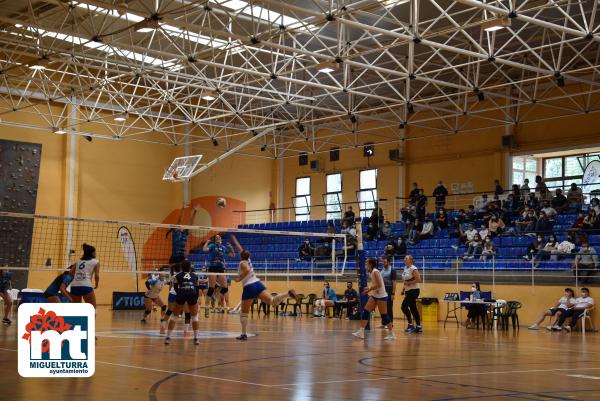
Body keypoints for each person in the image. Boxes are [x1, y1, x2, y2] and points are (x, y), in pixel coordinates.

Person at [235, 250, 298, 340]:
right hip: (257, 283)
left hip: (249, 286)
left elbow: (247, 270)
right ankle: (288, 293)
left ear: (241, 256)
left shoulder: (242, 263)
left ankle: (244, 334)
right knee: (272, 302)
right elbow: (242, 251)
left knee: (244, 314)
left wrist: (239, 278)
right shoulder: (248, 260)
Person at [352, 258, 395, 340]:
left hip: (382, 295)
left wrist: (369, 289)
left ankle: (392, 334)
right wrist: (368, 289)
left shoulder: (375, 272)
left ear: (370, 264)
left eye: (366, 263)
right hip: (375, 295)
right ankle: (361, 332)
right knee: (366, 311)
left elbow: (379, 285)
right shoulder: (371, 272)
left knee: (384, 315)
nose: (365, 264)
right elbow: (375, 285)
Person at [164, 261, 200, 345]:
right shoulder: (195, 276)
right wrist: (195, 298)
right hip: (192, 294)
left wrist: (180, 294)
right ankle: (196, 338)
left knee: (174, 316)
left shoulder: (177, 276)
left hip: (182, 294)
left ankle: (168, 337)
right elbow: (197, 288)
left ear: (181, 268)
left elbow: (175, 287)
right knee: (194, 317)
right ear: (190, 267)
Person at [203, 234, 237, 303]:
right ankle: (207, 307)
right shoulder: (212, 245)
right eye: (216, 237)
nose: (217, 238)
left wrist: (231, 248)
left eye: (219, 237)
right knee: (211, 288)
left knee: (225, 287)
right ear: (215, 240)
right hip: (212, 267)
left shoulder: (224, 248)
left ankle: (216, 297)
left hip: (220, 268)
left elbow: (233, 255)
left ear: (221, 239)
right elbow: (204, 249)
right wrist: (207, 242)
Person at [69, 243, 100, 308]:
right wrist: (97, 284)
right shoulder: (96, 262)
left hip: (75, 285)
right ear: (92, 253)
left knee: (76, 310)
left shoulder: (78, 261)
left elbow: (71, 272)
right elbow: (97, 276)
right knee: (92, 309)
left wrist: (78, 277)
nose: (95, 253)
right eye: (95, 252)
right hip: (86, 285)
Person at [400, 255, 422, 333]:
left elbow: (419, 280)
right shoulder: (405, 268)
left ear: (411, 260)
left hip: (414, 290)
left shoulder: (413, 268)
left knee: (405, 307)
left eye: (406, 258)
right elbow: (405, 281)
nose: (404, 259)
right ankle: (417, 326)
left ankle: (412, 325)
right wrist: (403, 289)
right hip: (408, 291)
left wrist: (409, 283)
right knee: (411, 308)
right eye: (404, 258)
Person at [380, 257, 397, 324]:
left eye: (385, 262)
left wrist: (393, 293)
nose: (383, 263)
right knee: (383, 306)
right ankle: (384, 322)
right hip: (383, 289)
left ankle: (390, 322)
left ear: (389, 262)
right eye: (383, 262)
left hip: (389, 289)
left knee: (389, 307)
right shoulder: (382, 269)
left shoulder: (392, 270)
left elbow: (394, 282)